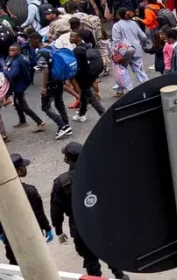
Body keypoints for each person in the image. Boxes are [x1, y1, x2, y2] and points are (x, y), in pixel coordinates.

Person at [51, 141, 130, 278]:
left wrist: (58, 230)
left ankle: (97, 277)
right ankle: (120, 275)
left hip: (80, 226)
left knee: (90, 261)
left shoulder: (62, 182)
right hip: (103, 222)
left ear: (67, 160)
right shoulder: (100, 173)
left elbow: (56, 210)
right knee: (110, 251)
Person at [0, 154, 53, 266]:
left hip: (10, 237)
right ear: (18, 171)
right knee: (37, 264)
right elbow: (38, 215)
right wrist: (47, 227)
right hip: (31, 236)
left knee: (15, 267)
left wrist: (1, 232)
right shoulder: (29, 191)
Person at [5, 43, 46, 132]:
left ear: (19, 51)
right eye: (10, 50)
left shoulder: (16, 62)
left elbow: (12, 74)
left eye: (13, 50)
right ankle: (22, 121)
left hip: (18, 85)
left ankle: (39, 121)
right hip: (21, 84)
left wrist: (5, 70)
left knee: (23, 106)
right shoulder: (21, 57)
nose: (11, 52)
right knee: (17, 103)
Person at [70, 31, 105, 123]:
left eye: (72, 37)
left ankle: (104, 115)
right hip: (90, 75)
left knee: (90, 97)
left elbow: (78, 66)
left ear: (79, 38)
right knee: (83, 94)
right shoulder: (87, 46)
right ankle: (81, 114)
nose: (70, 38)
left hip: (83, 77)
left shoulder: (76, 51)